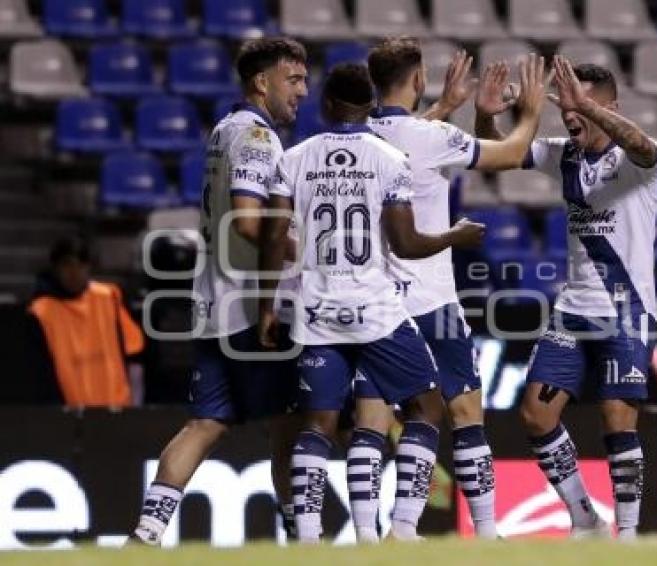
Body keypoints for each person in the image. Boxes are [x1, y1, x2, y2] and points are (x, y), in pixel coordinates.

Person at [256, 62, 486, 544]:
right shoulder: (388, 158)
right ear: (367, 108)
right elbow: (405, 244)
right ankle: (402, 526)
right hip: (376, 311)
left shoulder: (293, 159)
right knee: (426, 407)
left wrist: (266, 305)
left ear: (325, 105)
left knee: (317, 424)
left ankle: (310, 537)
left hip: (317, 311)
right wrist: (453, 235)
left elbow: (274, 236)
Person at [360, 37, 549, 540]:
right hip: (433, 299)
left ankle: (395, 527)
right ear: (418, 78)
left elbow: (409, 135)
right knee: (464, 411)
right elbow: (510, 154)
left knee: (388, 416)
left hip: (377, 303)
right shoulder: (433, 136)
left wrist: (447, 107)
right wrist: (529, 112)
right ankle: (485, 532)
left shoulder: (360, 134)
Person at [129, 37, 309, 545]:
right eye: (293, 80)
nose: (303, 91)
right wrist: (311, 252)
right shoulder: (255, 136)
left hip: (212, 302)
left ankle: (144, 536)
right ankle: (303, 540)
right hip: (251, 308)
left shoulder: (223, 131)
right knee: (289, 428)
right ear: (261, 81)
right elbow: (253, 224)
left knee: (204, 423)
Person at [476, 56, 657, 540]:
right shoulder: (564, 155)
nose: (571, 114)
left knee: (617, 419)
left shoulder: (638, 162)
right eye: (568, 106)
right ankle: (584, 518)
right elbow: (497, 152)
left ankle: (628, 536)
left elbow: (642, 144)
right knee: (535, 416)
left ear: (610, 108)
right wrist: (486, 115)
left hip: (626, 310)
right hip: (573, 311)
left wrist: (591, 109)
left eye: (584, 106)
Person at [30, 236, 144, 407]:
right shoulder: (41, 311)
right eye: (67, 265)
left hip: (117, 410)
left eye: (81, 265)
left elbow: (134, 350)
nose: (74, 272)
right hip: (69, 417)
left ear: (89, 267)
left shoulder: (109, 297)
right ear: (56, 269)